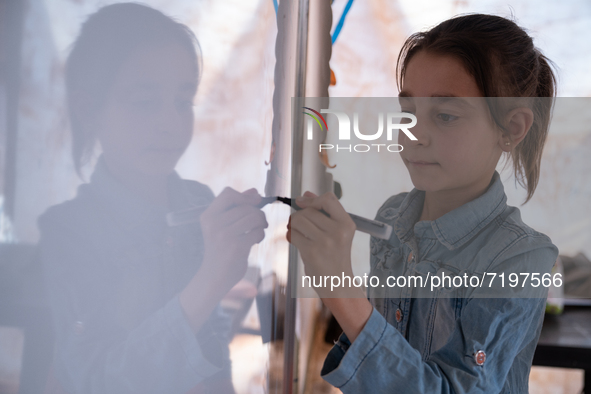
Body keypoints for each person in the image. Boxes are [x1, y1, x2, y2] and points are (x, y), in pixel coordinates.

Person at [287, 14, 558, 393]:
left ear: (511, 129)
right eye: (408, 112)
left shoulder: (521, 259)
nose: (414, 135)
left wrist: (340, 289)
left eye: (445, 116)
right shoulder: (391, 218)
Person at [38, 3, 267, 393]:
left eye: (183, 101)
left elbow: (213, 352)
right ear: (88, 109)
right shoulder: (68, 231)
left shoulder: (198, 202)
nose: (170, 123)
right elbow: (97, 382)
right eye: (144, 102)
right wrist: (211, 278)